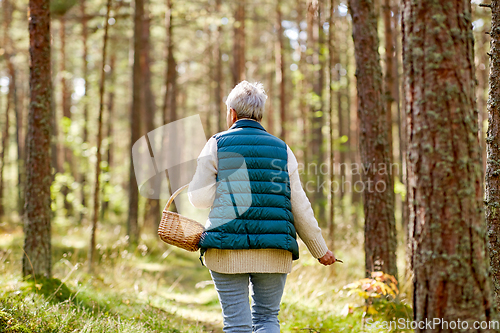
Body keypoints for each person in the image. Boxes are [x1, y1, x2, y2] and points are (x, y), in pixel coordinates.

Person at [188, 81, 336, 333]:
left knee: (237, 325)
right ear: (260, 114)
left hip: (225, 247)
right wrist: (319, 249)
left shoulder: (216, 144)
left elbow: (199, 199)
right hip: (274, 249)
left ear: (232, 113)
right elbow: (298, 204)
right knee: (267, 319)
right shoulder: (282, 149)